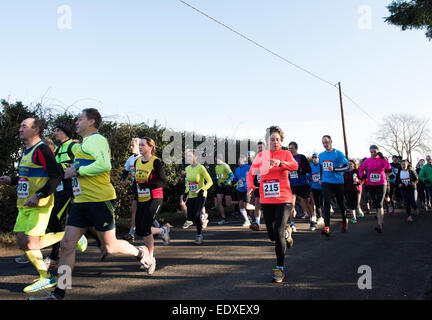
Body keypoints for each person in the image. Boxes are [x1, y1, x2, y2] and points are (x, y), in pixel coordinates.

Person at [30, 109, 153, 300]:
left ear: (91, 122)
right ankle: (59, 293)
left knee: (110, 247)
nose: (76, 122)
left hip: (99, 200)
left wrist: (77, 171)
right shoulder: (83, 144)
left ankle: (142, 253)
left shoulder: (97, 139)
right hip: (81, 201)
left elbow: (104, 165)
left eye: (80, 119)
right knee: (68, 244)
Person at [0, 118, 62, 293]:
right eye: (20, 125)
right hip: (24, 203)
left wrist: (40, 194)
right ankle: (47, 277)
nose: (19, 129)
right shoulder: (27, 151)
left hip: (40, 203)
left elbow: (56, 176)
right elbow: (27, 177)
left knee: (30, 241)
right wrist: (11, 180)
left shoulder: (42, 149)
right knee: (22, 241)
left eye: (24, 126)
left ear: (36, 130)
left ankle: (46, 276)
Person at [246, 126, 298, 283]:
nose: (275, 142)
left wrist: (281, 163)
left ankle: (279, 267)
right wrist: (251, 187)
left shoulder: (286, 154)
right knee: (271, 234)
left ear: (281, 141)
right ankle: (287, 235)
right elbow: (251, 173)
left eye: (277, 139)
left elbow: (295, 166)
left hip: (284, 199)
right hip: (267, 199)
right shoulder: (261, 156)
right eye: (272, 139)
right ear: (268, 141)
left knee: (279, 230)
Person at [42, 124, 88, 270]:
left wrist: (75, 169)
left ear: (65, 133)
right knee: (55, 221)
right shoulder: (58, 150)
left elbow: (88, 159)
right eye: (54, 130)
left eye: (57, 130)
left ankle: (55, 256)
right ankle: (76, 236)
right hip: (59, 188)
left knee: (55, 218)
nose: (54, 132)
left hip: (70, 189)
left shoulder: (72, 147)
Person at [133, 137, 170, 273]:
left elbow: (163, 182)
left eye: (143, 145)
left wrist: (147, 185)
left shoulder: (156, 162)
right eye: (139, 145)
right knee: (140, 230)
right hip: (142, 199)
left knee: (146, 228)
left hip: (155, 197)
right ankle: (162, 231)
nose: (140, 147)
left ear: (150, 147)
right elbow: (136, 181)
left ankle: (150, 259)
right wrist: (134, 192)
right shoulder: (137, 162)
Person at [319, 135, 350, 237]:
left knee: (340, 202)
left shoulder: (338, 153)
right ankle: (327, 227)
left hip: (337, 181)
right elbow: (321, 168)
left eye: (327, 142)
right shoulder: (321, 155)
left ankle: (345, 220)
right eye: (323, 143)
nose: (325, 144)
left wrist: (335, 169)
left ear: (331, 141)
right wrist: (320, 178)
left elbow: (347, 167)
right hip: (326, 181)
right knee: (326, 201)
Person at [358, 145, 392, 234]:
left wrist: (383, 158)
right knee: (375, 203)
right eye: (371, 152)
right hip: (371, 184)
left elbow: (388, 168)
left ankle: (379, 225)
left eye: (374, 151)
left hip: (381, 183)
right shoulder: (368, 160)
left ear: (378, 151)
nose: (373, 153)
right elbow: (360, 170)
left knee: (380, 203)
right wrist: (363, 176)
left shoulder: (382, 159)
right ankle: (381, 219)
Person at [184, 149, 213, 244]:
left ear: (195, 157)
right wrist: (186, 192)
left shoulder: (201, 168)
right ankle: (203, 219)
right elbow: (188, 182)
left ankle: (199, 235)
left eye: (189, 156)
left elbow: (210, 181)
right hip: (192, 195)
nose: (187, 158)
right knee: (192, 216)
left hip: (201, 194)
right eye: (186, 156)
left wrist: (203, 189)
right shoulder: (187, 169)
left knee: (196, 214)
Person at [287, 142, 315, 231]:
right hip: (292, 185)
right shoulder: (287, 159)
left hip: (302, 184)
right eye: (289, 148)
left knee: (306, 203)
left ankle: (311, 220)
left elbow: (309, 170)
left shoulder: (301, 157)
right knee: (291, 204)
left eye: (292, 148)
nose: (290, 150)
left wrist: (299, 169)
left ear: (296, 149)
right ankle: (292, 224)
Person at [121, 138, 142, 242]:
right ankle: (159, 227)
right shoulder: (130, 159)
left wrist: (131, 190)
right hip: (136, 187)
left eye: (132, 145)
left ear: (139, 146)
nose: (130, 147)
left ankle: (131, 233)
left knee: (135, 209)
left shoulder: (143, 158)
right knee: (137, 210)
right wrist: (122, 179)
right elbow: (126, 171)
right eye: (130, 145)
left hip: (144, 188)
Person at [214, 154, 234, 225]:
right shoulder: (216, 167)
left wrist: (226, 182)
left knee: (228, 204)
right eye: (215, 159)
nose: (216, 160)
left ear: (220, 159)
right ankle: (224, 218)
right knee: (219, 202)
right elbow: (218, 177)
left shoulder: (226, 165)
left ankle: (240, 203)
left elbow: (232, 176)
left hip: (227, 186)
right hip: (220, 187)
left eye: (217, 159)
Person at [234, 155, 252, 227]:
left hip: (247, 188)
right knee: (240, 204)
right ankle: (247, 220)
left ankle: (258, 209)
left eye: (241, 160)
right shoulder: (237, 169)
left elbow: (251, 175)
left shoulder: (248, 167)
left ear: (244, 160)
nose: (239, 161)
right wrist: (233, 179)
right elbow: (236, 178)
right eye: (238, 160)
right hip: (240, 188)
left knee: (246, 206)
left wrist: (243, 179)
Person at [250, 141, 264, 231]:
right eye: (258, 148)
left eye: (261, 147)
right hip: (259, 184)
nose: (260, 149)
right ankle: (257, 222)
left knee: (269, 203)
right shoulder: (256, 158)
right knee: (257, 201)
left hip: (268, 183)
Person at [309, 152, 324, 226]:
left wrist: (322, 180)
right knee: (317, 203)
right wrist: (309, 177)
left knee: (322, 202)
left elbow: (325, 174)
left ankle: (325, 215)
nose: (314, 159)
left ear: (318, 158)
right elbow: (308, 174)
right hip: (314, 187)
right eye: (313, 158)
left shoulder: (321, 166)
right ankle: (320, 217)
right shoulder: (310, 165)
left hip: (322, 187)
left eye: (316, 157)